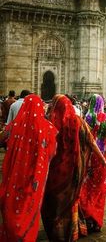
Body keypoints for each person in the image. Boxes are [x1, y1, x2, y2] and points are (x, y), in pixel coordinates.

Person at [41, 94, 106, 241]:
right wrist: (103, 160)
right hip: (73, 170)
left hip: (52, 172)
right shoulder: (77, 121)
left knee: (54, 202)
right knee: (70, 200)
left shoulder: (48, 122)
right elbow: (91, 142)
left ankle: (56, 231)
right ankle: (71, 230)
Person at [0, 94, 58, 242]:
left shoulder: (14, 125)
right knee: (29, 203)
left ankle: (12, 230)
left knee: (13, 201)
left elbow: (3, 139)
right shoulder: (48, 128)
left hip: (15, 173)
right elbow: (53, 152)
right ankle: (25, 234)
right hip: (35, 176)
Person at [80, 93, 106, 232]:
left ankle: (85, 217)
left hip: (88, 158)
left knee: (86, 188)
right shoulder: (105, 118)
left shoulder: (86, 117)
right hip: (101, 159)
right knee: (98, 189)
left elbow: (83, 139)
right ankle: (95, 220)